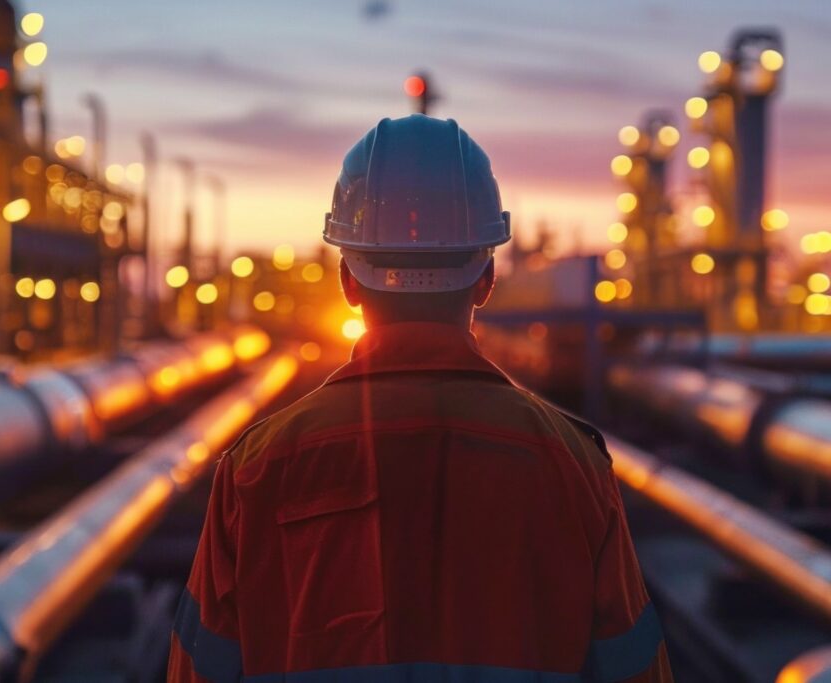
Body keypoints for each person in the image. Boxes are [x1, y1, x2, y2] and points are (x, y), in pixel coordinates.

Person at [168, 115, 673, 682]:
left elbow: (198, 672)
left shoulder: (255, 470)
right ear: (486, 280)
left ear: (348, 282)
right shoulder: (574, 467)